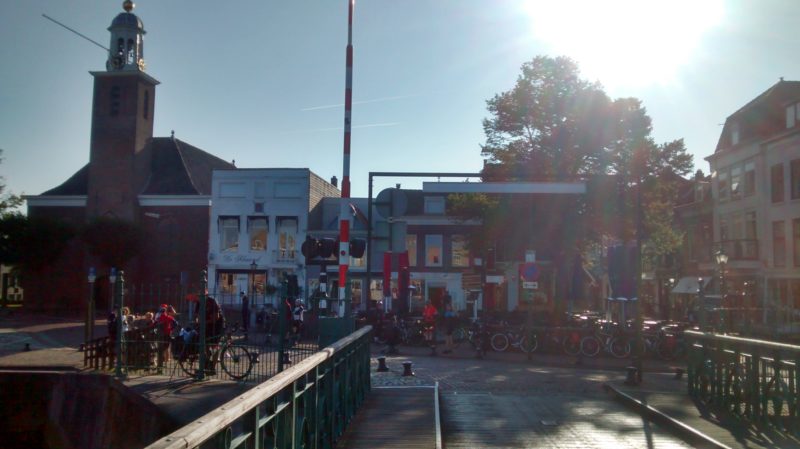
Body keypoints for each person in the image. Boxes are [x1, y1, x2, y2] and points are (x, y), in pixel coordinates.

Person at [156, 305, 178, 372]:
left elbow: (155, 324)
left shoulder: (160, 317)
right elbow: (176, 323)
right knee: (166, 348)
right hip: (167, 333)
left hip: (161, 334)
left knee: (161, 349)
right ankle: (164, 362)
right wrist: (171, 328)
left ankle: (160, 364)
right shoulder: (169, 317)